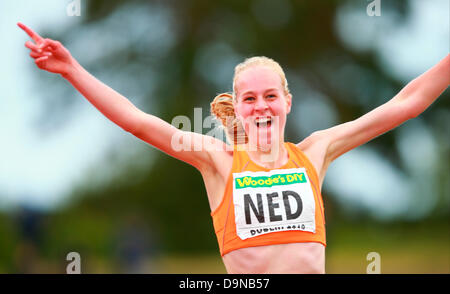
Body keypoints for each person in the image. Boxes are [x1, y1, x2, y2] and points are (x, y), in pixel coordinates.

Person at [18, 22, 449, 274]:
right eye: (249, 99)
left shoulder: (317, 150)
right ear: (239, 111)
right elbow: (136, 121)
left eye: (270, 96)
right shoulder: (218, 160)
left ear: (287, 102)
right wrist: (71, 69)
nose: (261, 106)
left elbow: (406, 104)